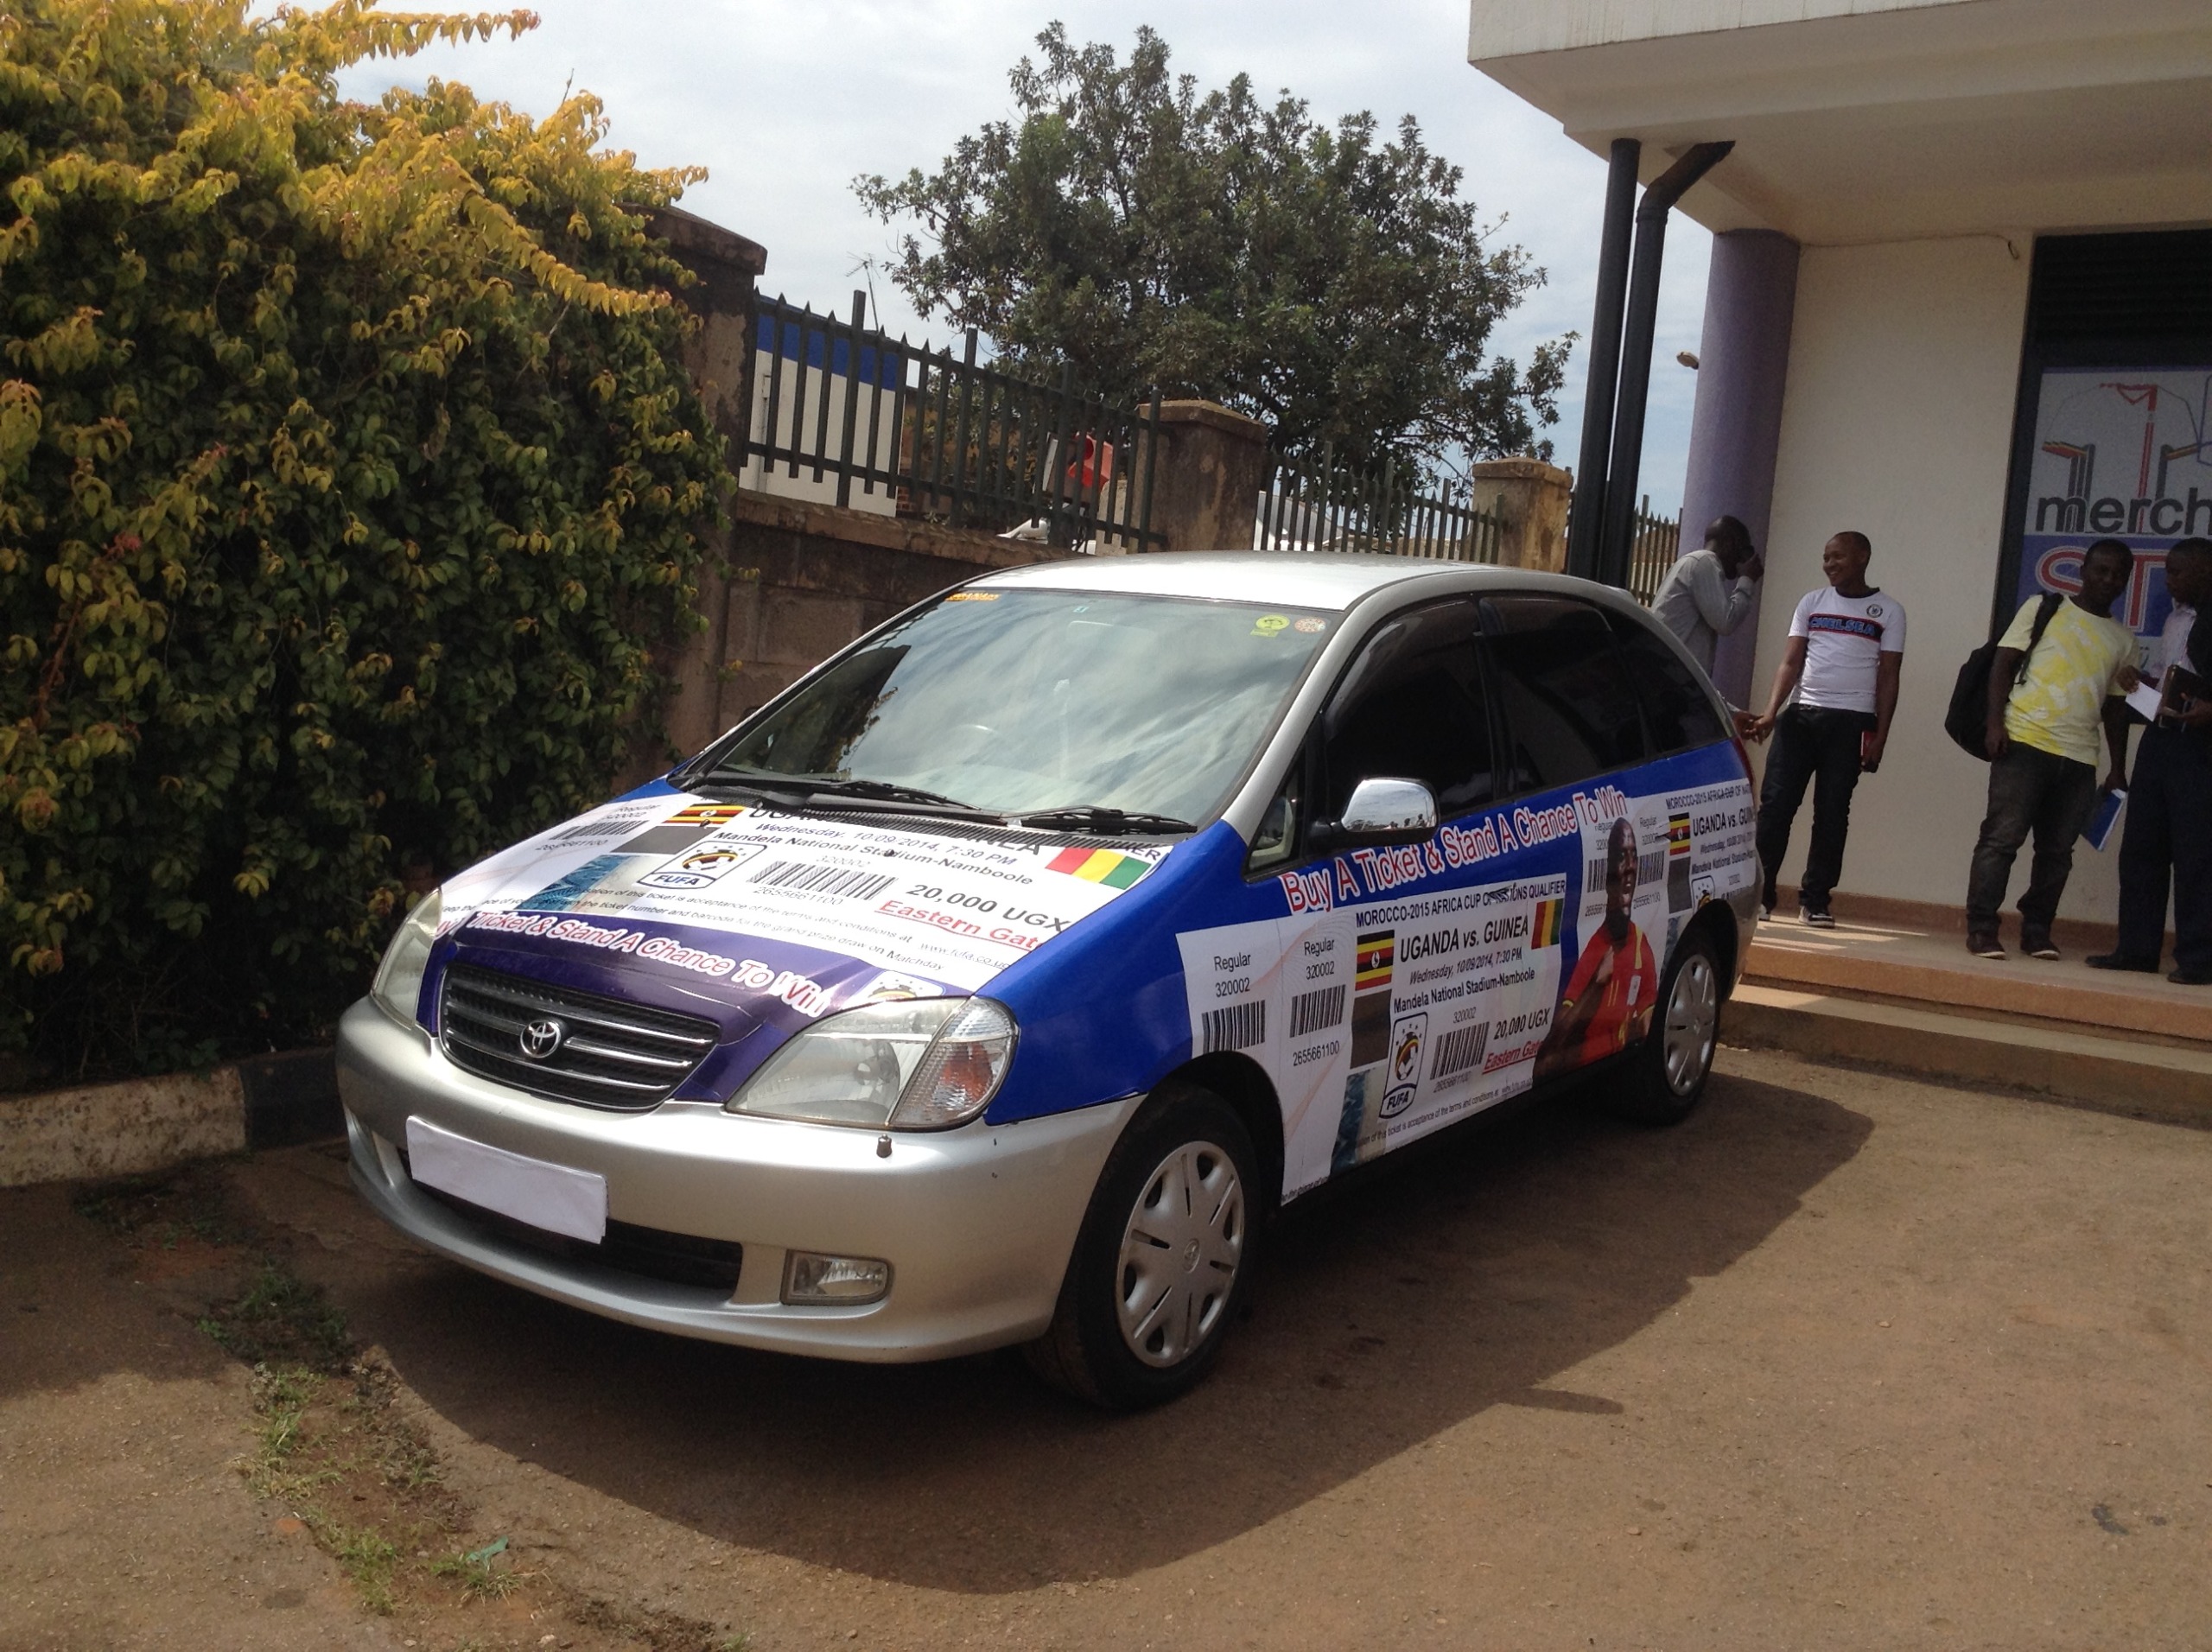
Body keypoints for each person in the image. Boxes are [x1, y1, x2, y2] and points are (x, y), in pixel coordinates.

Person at [1965, 537, 2140, 961]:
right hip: (2024, 741)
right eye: (2102, 570)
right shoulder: (2044, 608)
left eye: (2119, 574)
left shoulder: (2123, 640)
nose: (2109, 580)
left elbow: (2115, 708)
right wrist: (1994, 723)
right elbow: (2003, 663)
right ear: (2082, 570)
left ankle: (2037, 930)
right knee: (2001, 840)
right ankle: (1983, 928)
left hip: (2080, 758)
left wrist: (2117, 767)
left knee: (2058, 853)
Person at [1750, 531, 1905, 927]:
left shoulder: (1888, 611)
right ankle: (1760, 896)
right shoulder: (1812, 603)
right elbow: (1790, 663)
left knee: (1833, 814)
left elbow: (1889, 676)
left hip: (1852, 722)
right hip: (1801, 717)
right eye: (1825, 558)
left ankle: (1815, 900)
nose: (1829, 564)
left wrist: (1881, 737)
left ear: (1863, 557)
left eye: (1837, 556)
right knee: (1776, 809)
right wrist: (1771, 713)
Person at [2090, 537, 2212, 983]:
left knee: (2197, 855)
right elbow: (2167, 683)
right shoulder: (2176, 618)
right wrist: (2139, 682)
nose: (2170, 580)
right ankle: (2137, 950)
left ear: (2206, 572)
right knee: (2142, 848)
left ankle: (2199, 959)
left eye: (2178, 572)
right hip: (2160, 741)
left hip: (2202, 749)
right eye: (2167, 570)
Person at [1535, 817, 1659, 1077]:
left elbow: (1649, 1011)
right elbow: (1549, 1052)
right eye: (1621, 858)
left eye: (1633, 857)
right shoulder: (1595, 947)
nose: (1628, 867)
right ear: (1607, 877)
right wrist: (1597, 983)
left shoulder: (1640, 943)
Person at [1652, 514, 1764, 676]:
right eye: (1745, 550)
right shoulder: (1705, 562)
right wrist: (1747, 580)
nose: (1743, 559)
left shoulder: (1691, 562)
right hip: (1672, 676)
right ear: (1729, 544)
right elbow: (1725, 622)